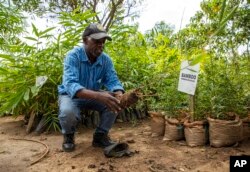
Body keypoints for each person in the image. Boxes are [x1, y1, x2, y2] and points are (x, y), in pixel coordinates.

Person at [58, 23, 124, 152]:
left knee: (114, 103)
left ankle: (100, 137)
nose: (101, 44)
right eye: (96, 41)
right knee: (67, 111)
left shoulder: (106, 60)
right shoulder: (73, 56)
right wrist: (99, 95)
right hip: (71, 95)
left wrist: (119, 92)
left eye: (103, 41)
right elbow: (70, 84)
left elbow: (113, 80)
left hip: (93, 93)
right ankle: (68, 136)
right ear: (84, 40)